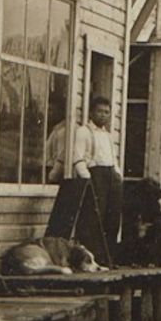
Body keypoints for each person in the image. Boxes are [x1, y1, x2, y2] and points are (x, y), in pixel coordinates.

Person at [63, 94, 123, 266]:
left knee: (112, 220)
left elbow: (113, 158)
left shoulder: (109, 136)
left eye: (106, 112)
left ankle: (109, 259)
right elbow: (78, 158)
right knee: (94, 220)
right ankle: (94, 260)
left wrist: (117, 175)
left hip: (111, 176)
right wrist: (87, 179)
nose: (103, 115)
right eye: (99, 111)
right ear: (91, 113)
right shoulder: (83, 132)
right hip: (94, 177)